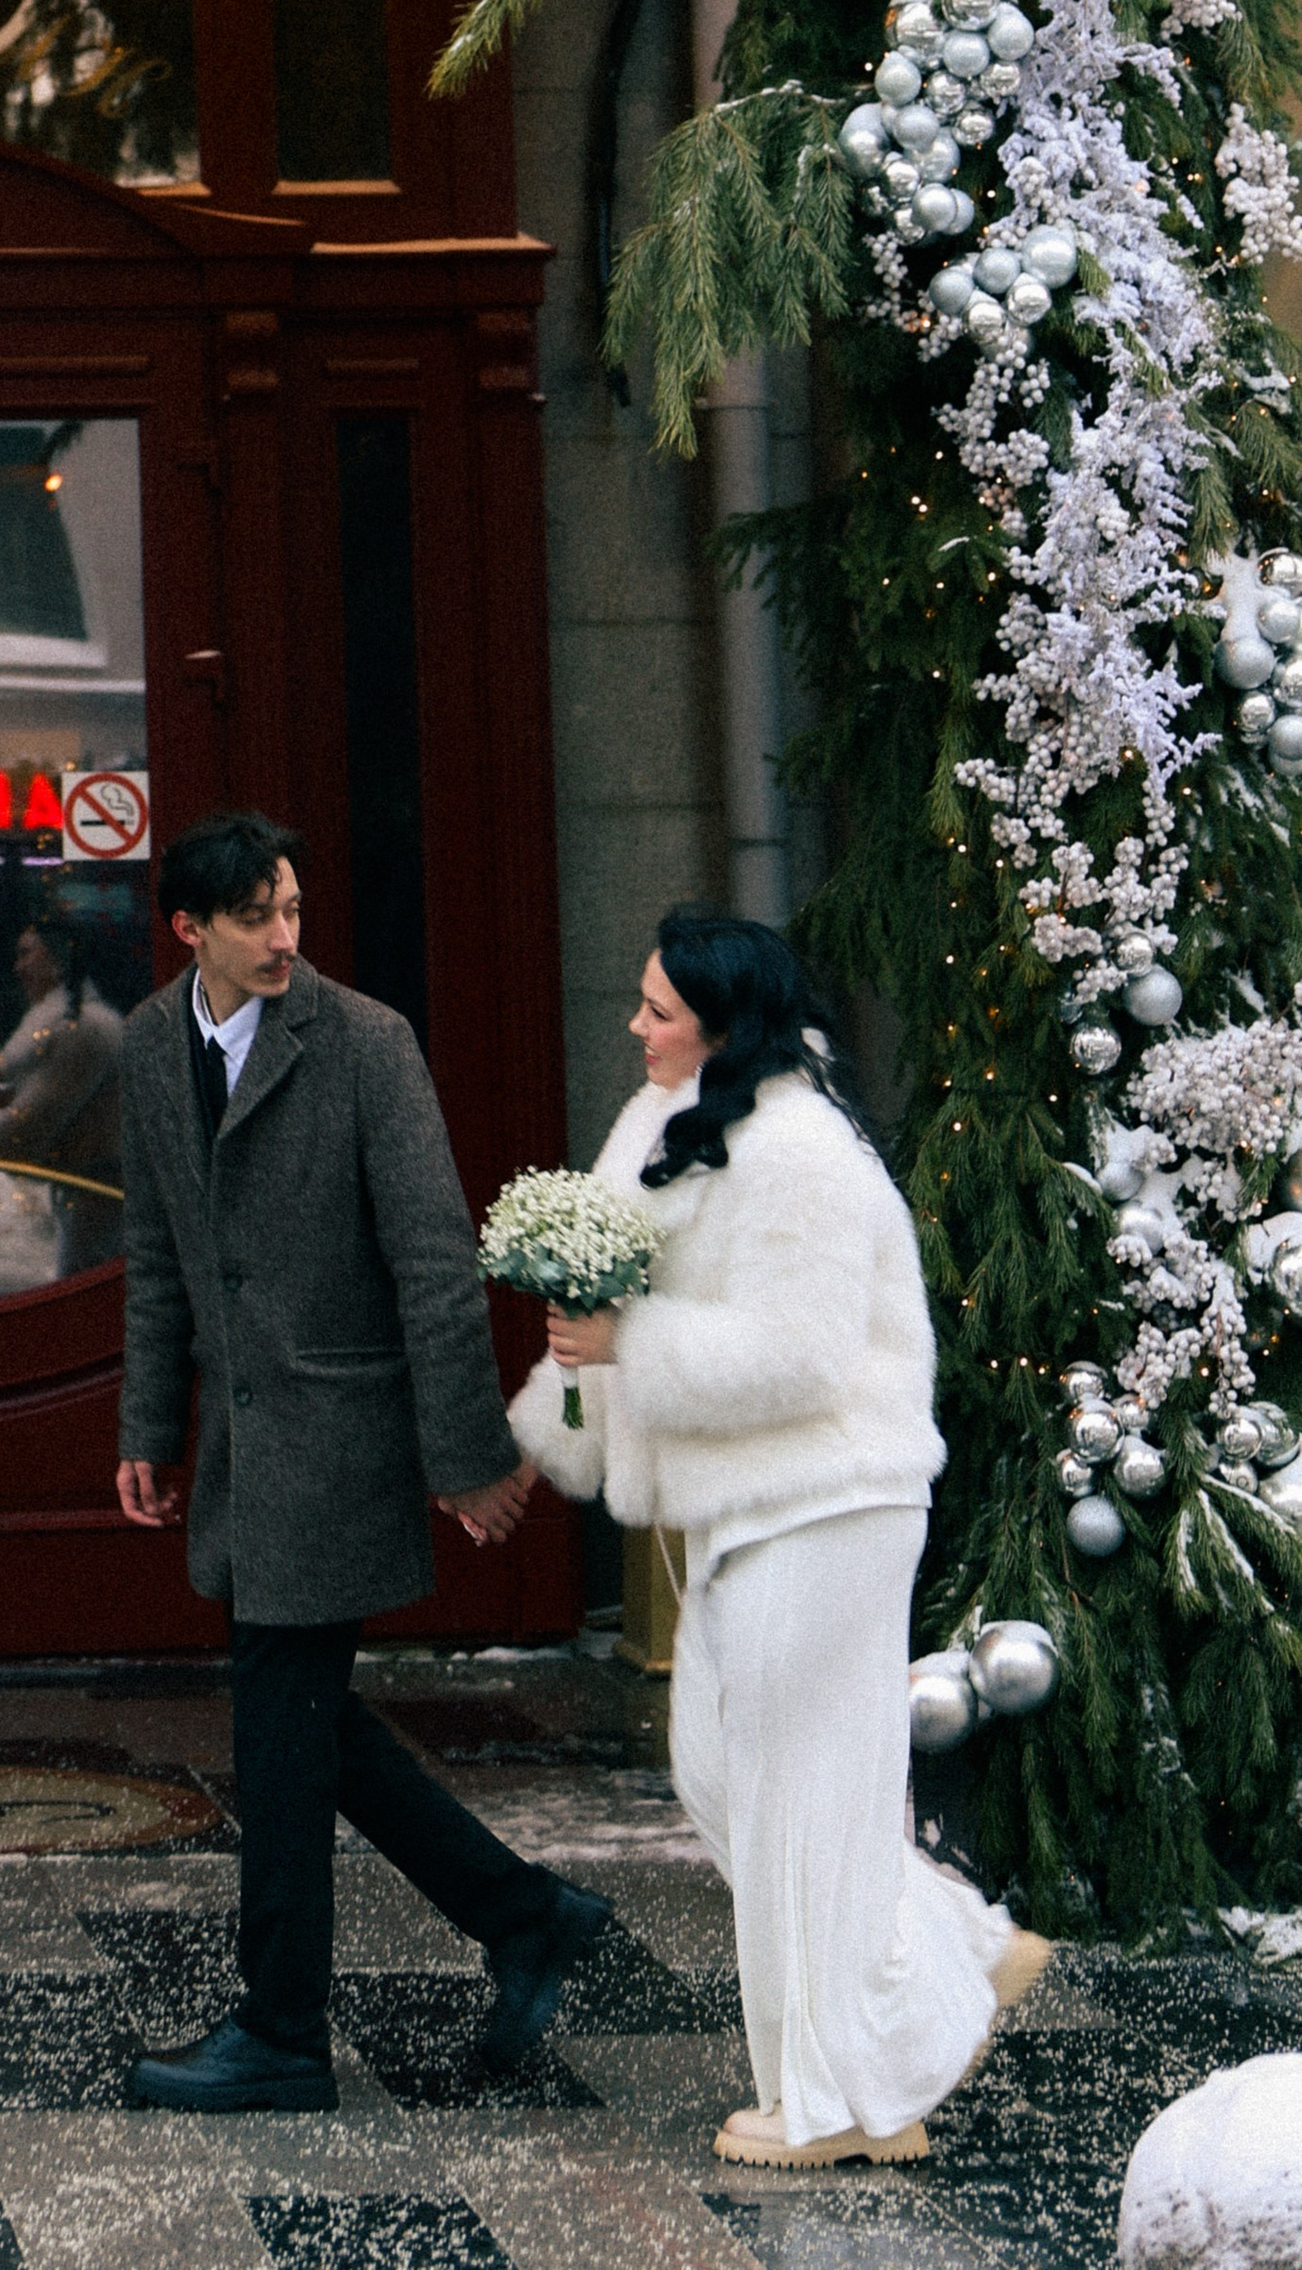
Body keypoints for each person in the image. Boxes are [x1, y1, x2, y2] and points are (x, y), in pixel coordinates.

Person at [506, 911, 1054, 2171]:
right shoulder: (662, 1119)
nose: (634, 1027)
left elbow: (797, 1359)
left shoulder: (802, 1147)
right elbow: (598, 1289)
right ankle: (955, 1950)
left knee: (798, 1796)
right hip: (734, 1500)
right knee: (717, 1774)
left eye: (657, 1009)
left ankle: (843, 2100)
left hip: (830, 1495)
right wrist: (564, 1410)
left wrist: (627, 1348)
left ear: (724, 1020)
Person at [115, 809, 613, 2110]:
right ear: (190, 931)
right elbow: (159, 1257)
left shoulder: (367, 1045)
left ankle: (282, 2034)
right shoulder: (149, 1048)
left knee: (282, 1735)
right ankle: (523, 1914)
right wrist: (145, 1428)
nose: (285, 939)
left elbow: (435, 1261)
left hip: (338, 1441)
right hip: (238, 1453)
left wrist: (464, 1454)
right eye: (255, 919)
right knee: (303, 1731)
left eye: (293, 910)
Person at [0, 914, 127, 1276]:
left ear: (56, 960)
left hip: (101, 1193)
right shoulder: (81, 1022)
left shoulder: (83, 1028)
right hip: (96, 1189)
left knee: (86, 1293)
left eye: (28, 954)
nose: (18, 967)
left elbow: (33, 1119)